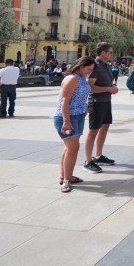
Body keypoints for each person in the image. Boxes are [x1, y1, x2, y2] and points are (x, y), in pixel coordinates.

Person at [54, 56, 95, 193]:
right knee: (74, 148)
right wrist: (66, 121)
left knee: (69, 147)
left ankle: (65, 175)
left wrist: (85, 108)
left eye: (91, 70)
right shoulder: (72, 79)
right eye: (88, 69)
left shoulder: (82, 78)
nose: (89, 72)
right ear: (81, 66)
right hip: (67, 117)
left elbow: (79, 96)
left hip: (78, 116)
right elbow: (64, 101)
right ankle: (66, 181)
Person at [83, 42, 119, 173]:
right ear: (102, 53)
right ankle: (88, 161)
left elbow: (107, 83)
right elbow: (90, 86)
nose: (112, 54)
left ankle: (98, 156)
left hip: (106, 101)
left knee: (105, 127)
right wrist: (108, 88)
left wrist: (112, 87)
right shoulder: (95, 66)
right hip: (96, 102)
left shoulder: (106, 66)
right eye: (110, 52)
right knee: (93, 131)